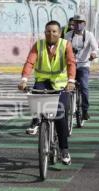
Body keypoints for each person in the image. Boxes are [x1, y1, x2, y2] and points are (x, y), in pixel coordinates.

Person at [18, 20, 76, 165]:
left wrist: (71, 81)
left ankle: (64, 149)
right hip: (42, 81)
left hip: (60, 83)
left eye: (54, 31)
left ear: (60, 33)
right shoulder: (38, 45)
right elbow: (30, 62)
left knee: (60, 115)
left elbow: (71, 63)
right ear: (44, 33)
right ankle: (37, 121)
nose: (51, 34)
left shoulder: (65, 45)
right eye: (48, 31)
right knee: (37, 103)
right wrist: (24, 79)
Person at [64, 14, 99, 120]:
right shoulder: (68, 35)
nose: (78, 24)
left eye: (80, 22)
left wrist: (93, 54)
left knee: (84, 87)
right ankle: (65, 108)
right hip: (71, 65)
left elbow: (96, 49)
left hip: (84, 64)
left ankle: (85, 110)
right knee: (65, 88)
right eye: (76, 22)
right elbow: (63, 49)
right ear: (72, 23)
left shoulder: (89, 35)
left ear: (84, 23)